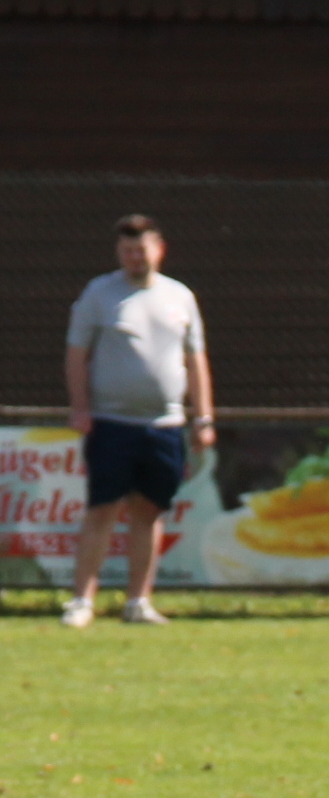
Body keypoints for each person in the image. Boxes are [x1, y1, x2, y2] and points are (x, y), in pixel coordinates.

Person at [60, 214, 213, 628]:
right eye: (126, 250)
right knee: (102, 510)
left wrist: (203, 418)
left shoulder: (180, 296)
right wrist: (80, 406)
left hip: (165, 425)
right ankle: (81, 602)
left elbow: (196, 360)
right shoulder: (98, 293)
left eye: (141, 249)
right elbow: (76, 353)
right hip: (111, 423)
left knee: (149, 511)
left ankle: (138, 602)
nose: (134, 257)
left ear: (159, 250)